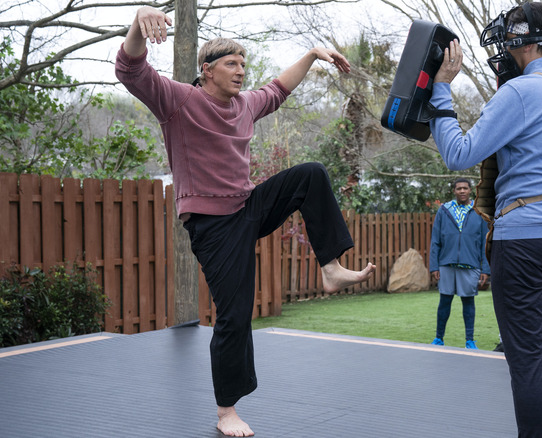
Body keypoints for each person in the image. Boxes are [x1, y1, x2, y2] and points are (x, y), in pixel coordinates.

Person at [116, 7, 375, 436]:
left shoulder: (245, 104)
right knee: (235, 315)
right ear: (207, 70)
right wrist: (137, 22)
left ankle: (330, 268)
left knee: (310, 173)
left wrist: (312, 54)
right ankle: (226, 412)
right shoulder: (179, 100)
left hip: (247, 207)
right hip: (212, 226)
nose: (241, 72)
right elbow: (131, 69)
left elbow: (277, 89)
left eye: (243, 64)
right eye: (232, 64)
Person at [429, 3, 542, 437]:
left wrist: (441, 89)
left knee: (526, 357)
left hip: (525, 238)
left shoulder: (521, 92)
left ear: (524, 40)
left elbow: (458, 153)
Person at [429, 178, 490, 349]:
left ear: (470, 190)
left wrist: (485, 268)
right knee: (444, 301)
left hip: (470, 264)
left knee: (468, 302)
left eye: (465, 188)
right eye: (458, 188)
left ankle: (470, 340)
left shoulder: (478, 212)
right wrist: (434, 266)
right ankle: (438, 338)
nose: (462, 191)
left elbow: (485, 242)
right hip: (446, 264)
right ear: (454, 191)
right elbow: (435, 241)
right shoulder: (444, 210)